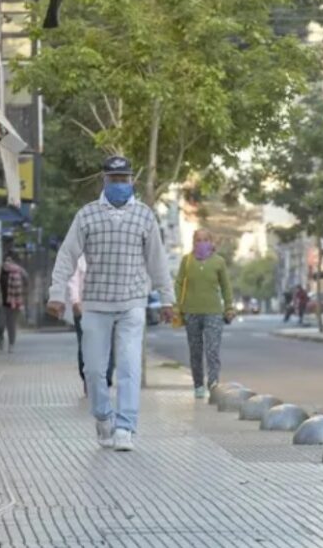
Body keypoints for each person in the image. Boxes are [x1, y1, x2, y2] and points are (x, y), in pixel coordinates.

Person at [46, 156, 175, 452]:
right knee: (94, 370)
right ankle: (103, 416)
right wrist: (56, 295)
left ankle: (125, 427)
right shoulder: (87, 215)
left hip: (132, 303)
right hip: (95, 304)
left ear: (132, 181)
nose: (120, 185)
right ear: (104, 180)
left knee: (129, 366)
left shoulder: (144, 216)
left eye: (124, 179)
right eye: (114, 179)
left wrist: (167, 299)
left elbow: (157, 261)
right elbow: (67, 256)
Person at [175, 229, 235, 400]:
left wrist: (229, 306)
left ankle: (214, 384)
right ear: (193, 242)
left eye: (205, 240)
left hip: (214, 313)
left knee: (212, 350)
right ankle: (198, 385)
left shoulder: (219, 262)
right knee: (195, 351)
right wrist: (176, 306)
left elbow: (226, 286)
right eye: (198, 240)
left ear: (211, 241)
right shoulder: (186, 261)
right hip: (191, 312)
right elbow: (179, 283)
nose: (202, 243)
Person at [66, 255, 115, 396]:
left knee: (107, 345)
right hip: (84, 308)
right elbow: (73, 280)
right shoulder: (79, 258)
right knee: (85, 346)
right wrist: (75, 301)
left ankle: (105, 380)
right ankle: (88, 378)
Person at [0, 253, 28, 353]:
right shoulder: (0, 271)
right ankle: (1, 337)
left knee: (11, 325)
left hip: (14, 303)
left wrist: (22, 296)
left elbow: (26, 281)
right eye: (6, 260)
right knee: (0, 324)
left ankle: (11, 344)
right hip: (2, 301)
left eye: (10, 260)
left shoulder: (19, 271)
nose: (7, 263)